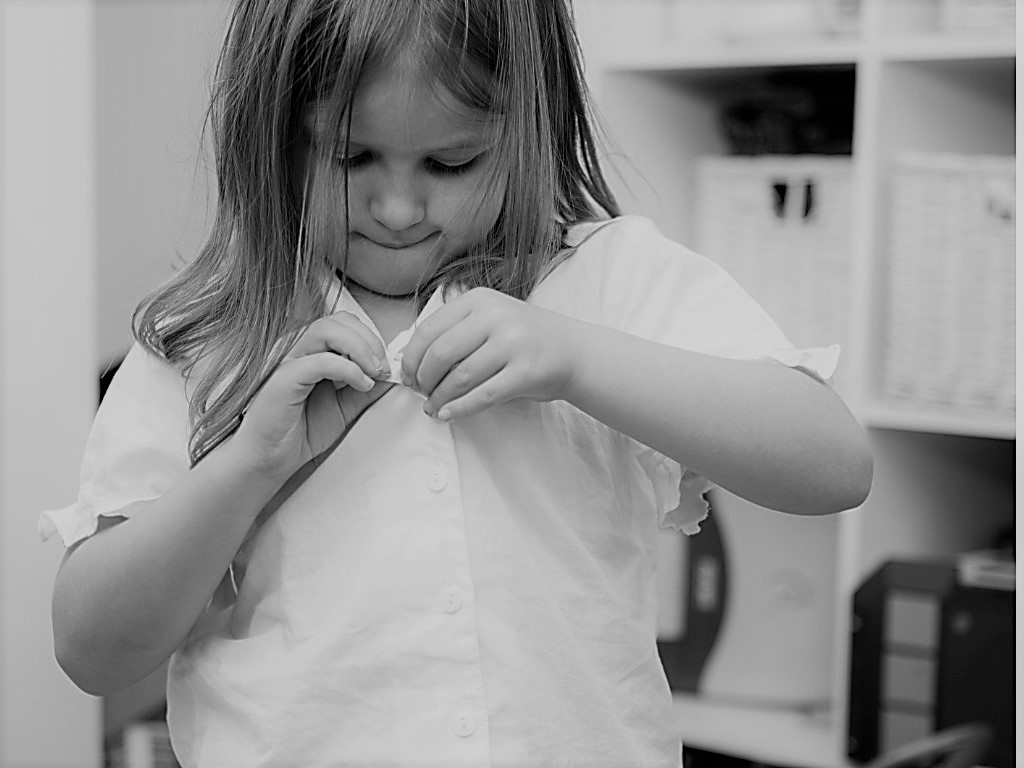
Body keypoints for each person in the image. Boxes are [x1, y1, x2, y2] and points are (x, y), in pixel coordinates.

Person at [41, 1, 873, 766]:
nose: (398, 208)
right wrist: (247, 464)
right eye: (351, 157)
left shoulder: (603, 283)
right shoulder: (215, 331)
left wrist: (578, 360)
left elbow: (834, 464)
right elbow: (91, 649)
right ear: (272, 133)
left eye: (450, 161)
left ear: (529, 128)